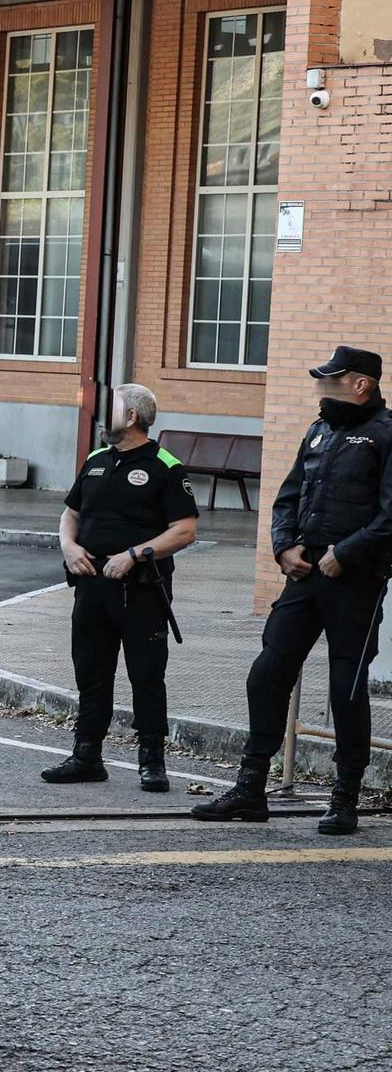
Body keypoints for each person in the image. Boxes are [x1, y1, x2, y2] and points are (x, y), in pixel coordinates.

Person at [194, 346, 392, 834]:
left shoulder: (387, 435)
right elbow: (286, 496)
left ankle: (344, 797)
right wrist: (284, 547)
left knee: (346, 690)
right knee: (267, 674)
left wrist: (344, 553)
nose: (321, 388)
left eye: (331, 379)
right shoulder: (319, 430)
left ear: (361, 383)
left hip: (356, 580)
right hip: (304, 575)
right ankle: (250, 788)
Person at [41, 384, 200, 790]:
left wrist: (134, 553)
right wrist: (69, 546)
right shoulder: (96, 460)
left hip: (142, 590)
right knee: (91, 673)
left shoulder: (165, 466)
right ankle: (87, 756)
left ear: (131, 417)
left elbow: (184, 531)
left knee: (146, 675)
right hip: (91, 585)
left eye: (110, 405)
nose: (100, 409)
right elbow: (70, 514)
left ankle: (152, 760)